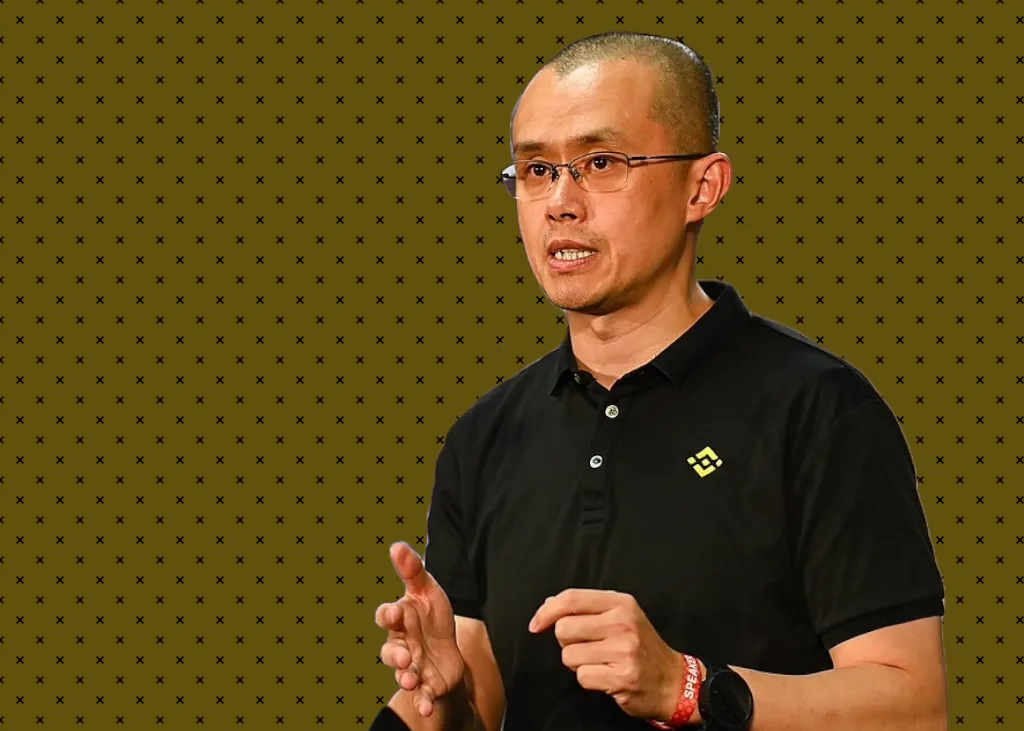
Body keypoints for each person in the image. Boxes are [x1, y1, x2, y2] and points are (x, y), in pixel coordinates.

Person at [371, 31, 948, 731]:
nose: (560, 202)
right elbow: (481, 703)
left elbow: (911, 706)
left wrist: (690, 687)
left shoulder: (821, 411)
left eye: (600, 162)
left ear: (702, 186)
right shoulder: (484, 435)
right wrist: (442, 695)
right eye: (535, 171)